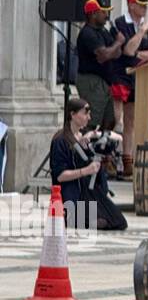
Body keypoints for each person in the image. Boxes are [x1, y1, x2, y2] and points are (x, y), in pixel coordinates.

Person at [49, 97, 127, 231]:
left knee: (117, 221)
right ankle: (72, 216)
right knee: (101, 221)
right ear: (72, 115)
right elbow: (60, 176)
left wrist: (92, 135)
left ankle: (79, 217)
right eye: (85, 113)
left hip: (89, 190)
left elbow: (118, 137)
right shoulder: (60, 140)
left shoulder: (84, 136)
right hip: (72, 191)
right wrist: (86, 170)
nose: (88, 117)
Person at [112, 0, 148, 176]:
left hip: (138, 77)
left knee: (131, 121)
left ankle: (128, 160)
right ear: (131, 5)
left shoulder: (146, 28)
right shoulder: (120, 23)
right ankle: (111, 159)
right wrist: (140, 32)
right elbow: (128, 51)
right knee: (118, 121)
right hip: (120, 76)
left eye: (146, 5)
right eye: (141, 5)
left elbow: (146, 52)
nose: (145, 8)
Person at [75, 0, 124, 131]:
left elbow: (117, 53)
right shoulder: (87, 33)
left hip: (106, 82)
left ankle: (101, 147)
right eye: (103, 12)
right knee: (91, 120)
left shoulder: (103, 31)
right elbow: (103, 56)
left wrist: (113, 48)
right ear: (93, 14)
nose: (106, 16)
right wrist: (117, 44)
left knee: (110, 119)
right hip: (92, 82)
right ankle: (84, 146)